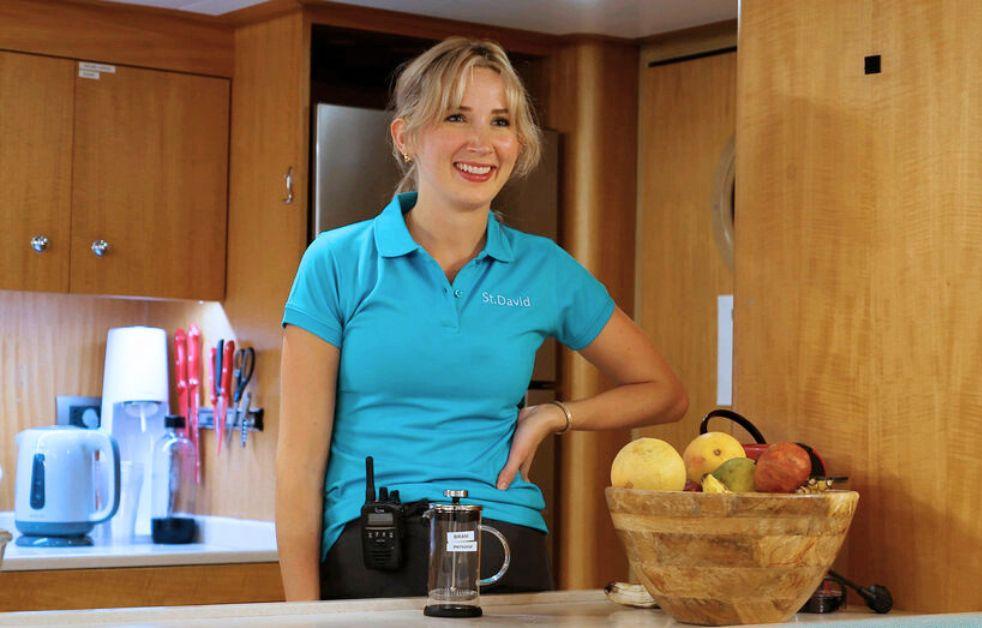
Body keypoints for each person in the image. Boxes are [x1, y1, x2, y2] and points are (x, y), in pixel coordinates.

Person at [275, 37, 688, 601]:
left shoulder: (543, 268)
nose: (483, 143)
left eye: (500, 121)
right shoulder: (338, 262)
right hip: (372, 546)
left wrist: (553, 415)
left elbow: (663, 391)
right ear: (405, 136)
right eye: (456, 116)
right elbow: (297, 467)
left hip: (504, 540)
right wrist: (304, 617)